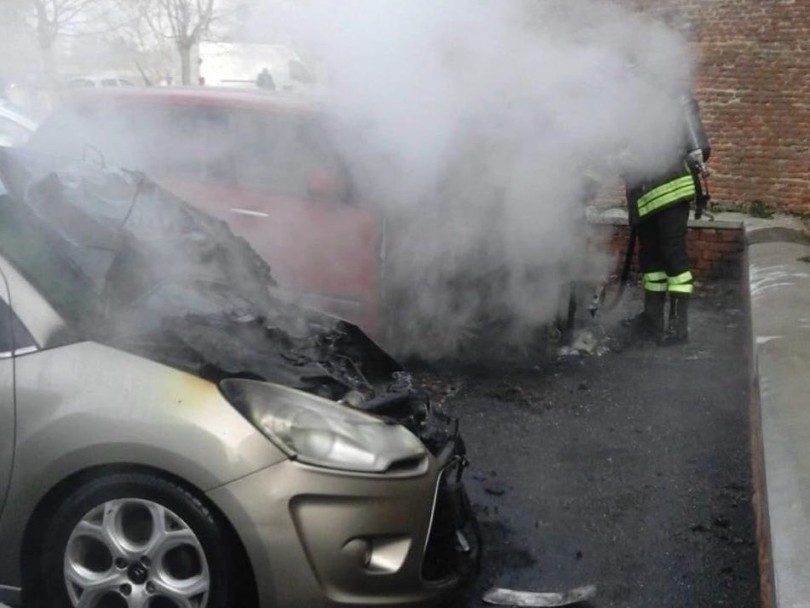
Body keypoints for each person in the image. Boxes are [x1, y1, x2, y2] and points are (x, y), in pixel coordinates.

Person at [623, 93, 711, 346]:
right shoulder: (627, 109)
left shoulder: (671, 102)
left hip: (671, 193)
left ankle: (677, 326)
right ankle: (652, 321)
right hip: (645, 197)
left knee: (674, 257)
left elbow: (699, 150)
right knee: (650, 259)